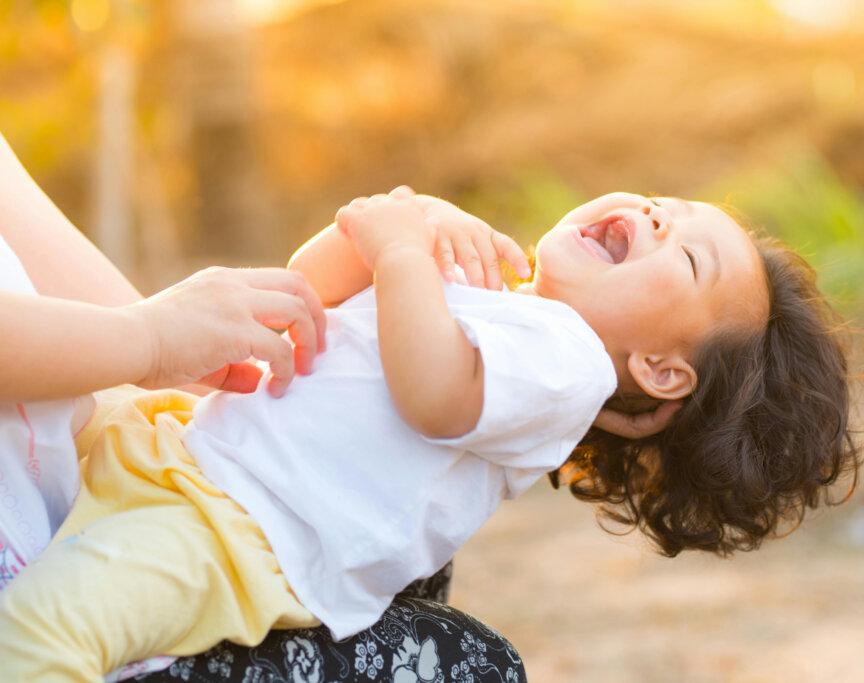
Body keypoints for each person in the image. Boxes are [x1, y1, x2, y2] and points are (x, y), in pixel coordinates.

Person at [0, 185, 864, 681]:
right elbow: (311, 288)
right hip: (182, 453)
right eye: (663, 204)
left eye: (684, 256)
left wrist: (405, 253)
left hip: (231, 535)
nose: (653, 219)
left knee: (42, 637)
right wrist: (387, 221)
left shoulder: (567, 365)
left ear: (662, 370)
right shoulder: (497, 295)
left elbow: (435, 395)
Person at [0, 136, 527, 682]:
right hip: (59, 566)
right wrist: (150, 338)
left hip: (96, 467)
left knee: (409, 556)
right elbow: (321, 286)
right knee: (471, 663)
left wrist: (176, 352)